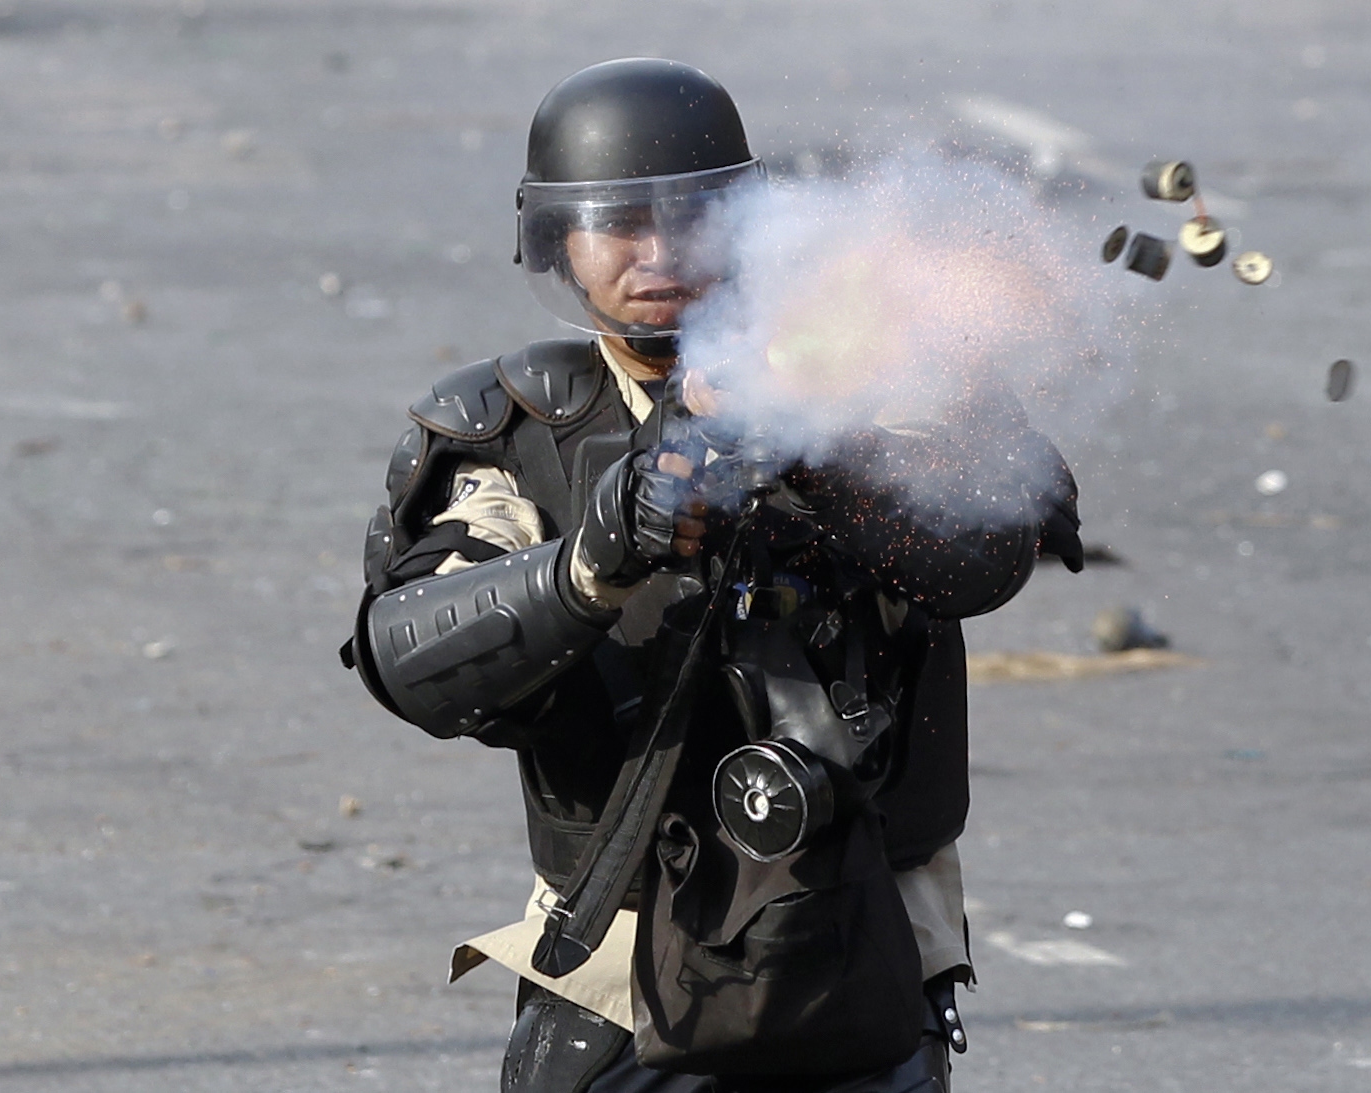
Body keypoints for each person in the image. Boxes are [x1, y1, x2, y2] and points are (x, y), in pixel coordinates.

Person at [342, 58, 1084, 1093]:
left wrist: (813, 449)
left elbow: (986, 552)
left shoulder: (878, 375)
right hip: (625, 963)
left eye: (689, 220)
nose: (656, 256)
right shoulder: (513, 432)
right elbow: (410, 656)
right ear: (560, 242)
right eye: (620, 226)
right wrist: (598, 556)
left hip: (865, 945)